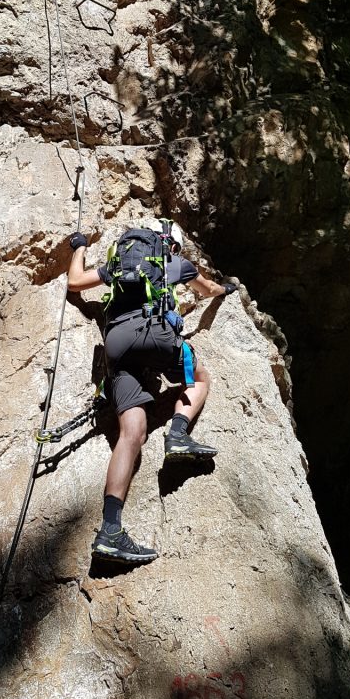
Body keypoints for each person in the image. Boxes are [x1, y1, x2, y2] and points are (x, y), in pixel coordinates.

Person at [67, 219, 236, 566]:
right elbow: (209, 291)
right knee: (199, 378)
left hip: (116, 345)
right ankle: (178, 435)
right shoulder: (174, 263)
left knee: (131, 433)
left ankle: (110, 529)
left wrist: (79, 246)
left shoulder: (118, 266)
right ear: (170, 246)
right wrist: (226, 289)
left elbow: (74, 283)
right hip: (154, 334)